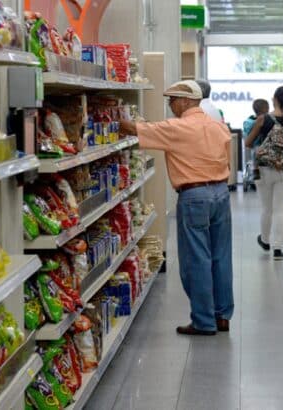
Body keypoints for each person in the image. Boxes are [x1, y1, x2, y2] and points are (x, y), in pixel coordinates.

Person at [118, 80, 234, 336]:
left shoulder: (176, 128)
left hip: (194, 196)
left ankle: (204, 321)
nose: (170, 105)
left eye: (171, 100)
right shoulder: (218, 125)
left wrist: (113, 118)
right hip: (221, 194)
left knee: (197, 259)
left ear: (185, 100)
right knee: (221, 257)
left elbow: (132, 129)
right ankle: (222, 315)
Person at [245, 86, 283, 260]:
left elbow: (248, 142)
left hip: (263, 170)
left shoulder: (263, 119)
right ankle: (278, 249)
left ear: (275, 100)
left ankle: (265, 241)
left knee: (266, 208)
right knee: (279, 210)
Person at [243, 99, 269, 181]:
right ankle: (255, 170)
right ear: (266, 109)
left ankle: (256, 170)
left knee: (255, 153)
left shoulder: (249, 121)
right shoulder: (261, 121)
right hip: (261, 145)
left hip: (255, 145)